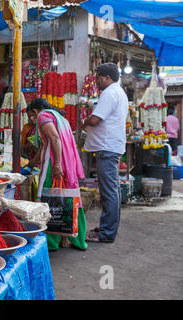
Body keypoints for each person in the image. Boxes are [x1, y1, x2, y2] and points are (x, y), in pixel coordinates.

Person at [29, 98, 87, 251]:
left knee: (50, 199)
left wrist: (57, 164)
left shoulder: (43, 117)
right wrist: (31, 163)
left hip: (55, 163)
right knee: (72, 199)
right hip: (69, 162)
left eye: (30, 116)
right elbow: (45, 144)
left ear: (35, 111)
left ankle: (51, 242)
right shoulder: (60, 118)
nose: (31, 120)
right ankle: (79, 240)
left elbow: (54, 138)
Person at [82, 62, 128, 243]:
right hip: (110, 146)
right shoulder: (118, 92)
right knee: (112, 190)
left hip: (107, 147)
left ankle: (107, 233)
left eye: (98, 77)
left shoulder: (110, 93)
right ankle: (107, 228)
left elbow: (94, 120)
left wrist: (84, 122)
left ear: (107, 77)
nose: (96, 81)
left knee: (109, 191)